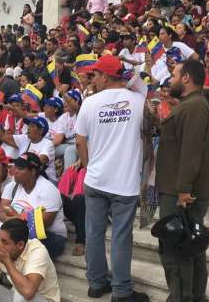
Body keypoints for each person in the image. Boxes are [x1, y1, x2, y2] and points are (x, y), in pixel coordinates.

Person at [75, 55, 148, 302]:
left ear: (106, 76)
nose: (91, 79)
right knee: (120, 236)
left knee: (94, 232)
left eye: (94, 75)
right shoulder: (138, 100)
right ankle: (121, 291)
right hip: (124, 182)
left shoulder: (90, 103)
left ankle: (97, 284)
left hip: (96, 179)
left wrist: (88, 166)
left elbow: (80, 141)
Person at [156, 60, 209, 302]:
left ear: (187, 78)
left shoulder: (193, 107)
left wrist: (183, 190)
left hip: (180, 192)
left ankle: (182, 297)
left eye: (174, 75)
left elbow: (191, 152)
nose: (171, 79)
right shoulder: (190, 105)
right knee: (191, 246)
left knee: (176, 248)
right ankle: (194, 295)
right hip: (178, 188)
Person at [0, 219, 61, 302]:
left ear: (20, 245)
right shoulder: (0, 247)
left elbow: (28, 292)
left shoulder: (38, 251)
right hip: (17, 297)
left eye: (5, 242)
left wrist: (7, 262)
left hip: (42, 299)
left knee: (21, 296)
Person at [0, 152, 67, 258]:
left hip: (50, 236)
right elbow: (1, 213)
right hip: (16, 231)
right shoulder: (11, 186)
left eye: (20, 168)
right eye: (15, 167)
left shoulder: (48, 189)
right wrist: (19, 219)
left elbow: (42, 224)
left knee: (13, 246)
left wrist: (15, 216)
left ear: (33, 171)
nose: (14, 171)